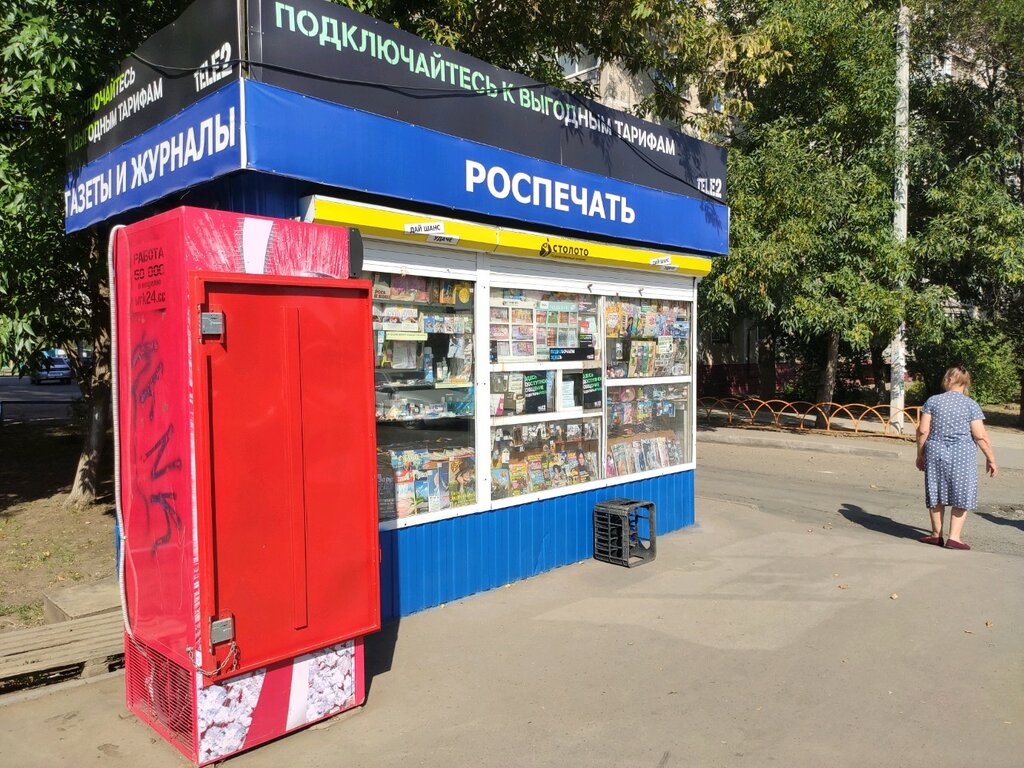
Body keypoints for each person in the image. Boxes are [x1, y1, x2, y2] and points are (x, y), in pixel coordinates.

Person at [915, 366, 999, 550]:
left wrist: (920, 454)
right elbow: (980, 435)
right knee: (962, 491)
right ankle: (954, 538)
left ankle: (936, 535)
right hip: (962, 454)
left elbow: (923, 431)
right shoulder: (971, 405)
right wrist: (991, 458)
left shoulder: (933, 401)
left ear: (948, 380)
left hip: (935, 452)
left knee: (936, 490)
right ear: (966, 383)